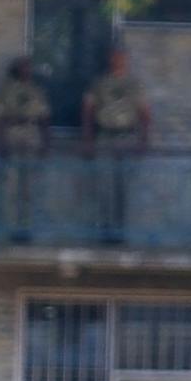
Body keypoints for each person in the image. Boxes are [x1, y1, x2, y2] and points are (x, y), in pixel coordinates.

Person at [81, 47, 153, 238]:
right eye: (114, 58)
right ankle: (105, 228)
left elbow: (144, 113)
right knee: (104, 185)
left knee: (123, 186)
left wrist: (143, 141)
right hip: (105, 136)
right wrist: (88, 141)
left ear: (126, 61)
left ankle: (119, 230)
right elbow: (88, 110)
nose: (118, 62)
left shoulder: (134, 84)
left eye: (121, 59)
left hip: (126, 137)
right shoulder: (99, 83)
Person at [0, 59, 51, 239]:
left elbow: (44, 118)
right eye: (24, 67)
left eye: (29, 67)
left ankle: (27, 230)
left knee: (30, 187)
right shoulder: (6, 91)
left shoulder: (37, 91)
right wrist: (1, 145)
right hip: (12, 134)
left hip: (32, 136)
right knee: (11, 186)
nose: (27, 70)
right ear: (16, 69)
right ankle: (11, 230)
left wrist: (46, 145)